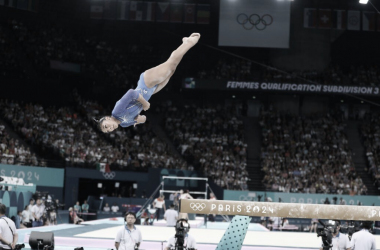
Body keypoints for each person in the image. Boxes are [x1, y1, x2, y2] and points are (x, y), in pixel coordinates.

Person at [95, 33, 201, 132]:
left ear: (107, 118)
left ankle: (189, 42)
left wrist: (145, 103)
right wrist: (139, 119)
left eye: (106, 126)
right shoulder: (124, 124)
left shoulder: (116, 112)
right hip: (151, 91)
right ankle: (185, 43)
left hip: (145, 83)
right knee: (172, 69)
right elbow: (144, 119)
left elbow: (132, 93)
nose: (109, 129)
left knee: (170, 65)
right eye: (107, 131)